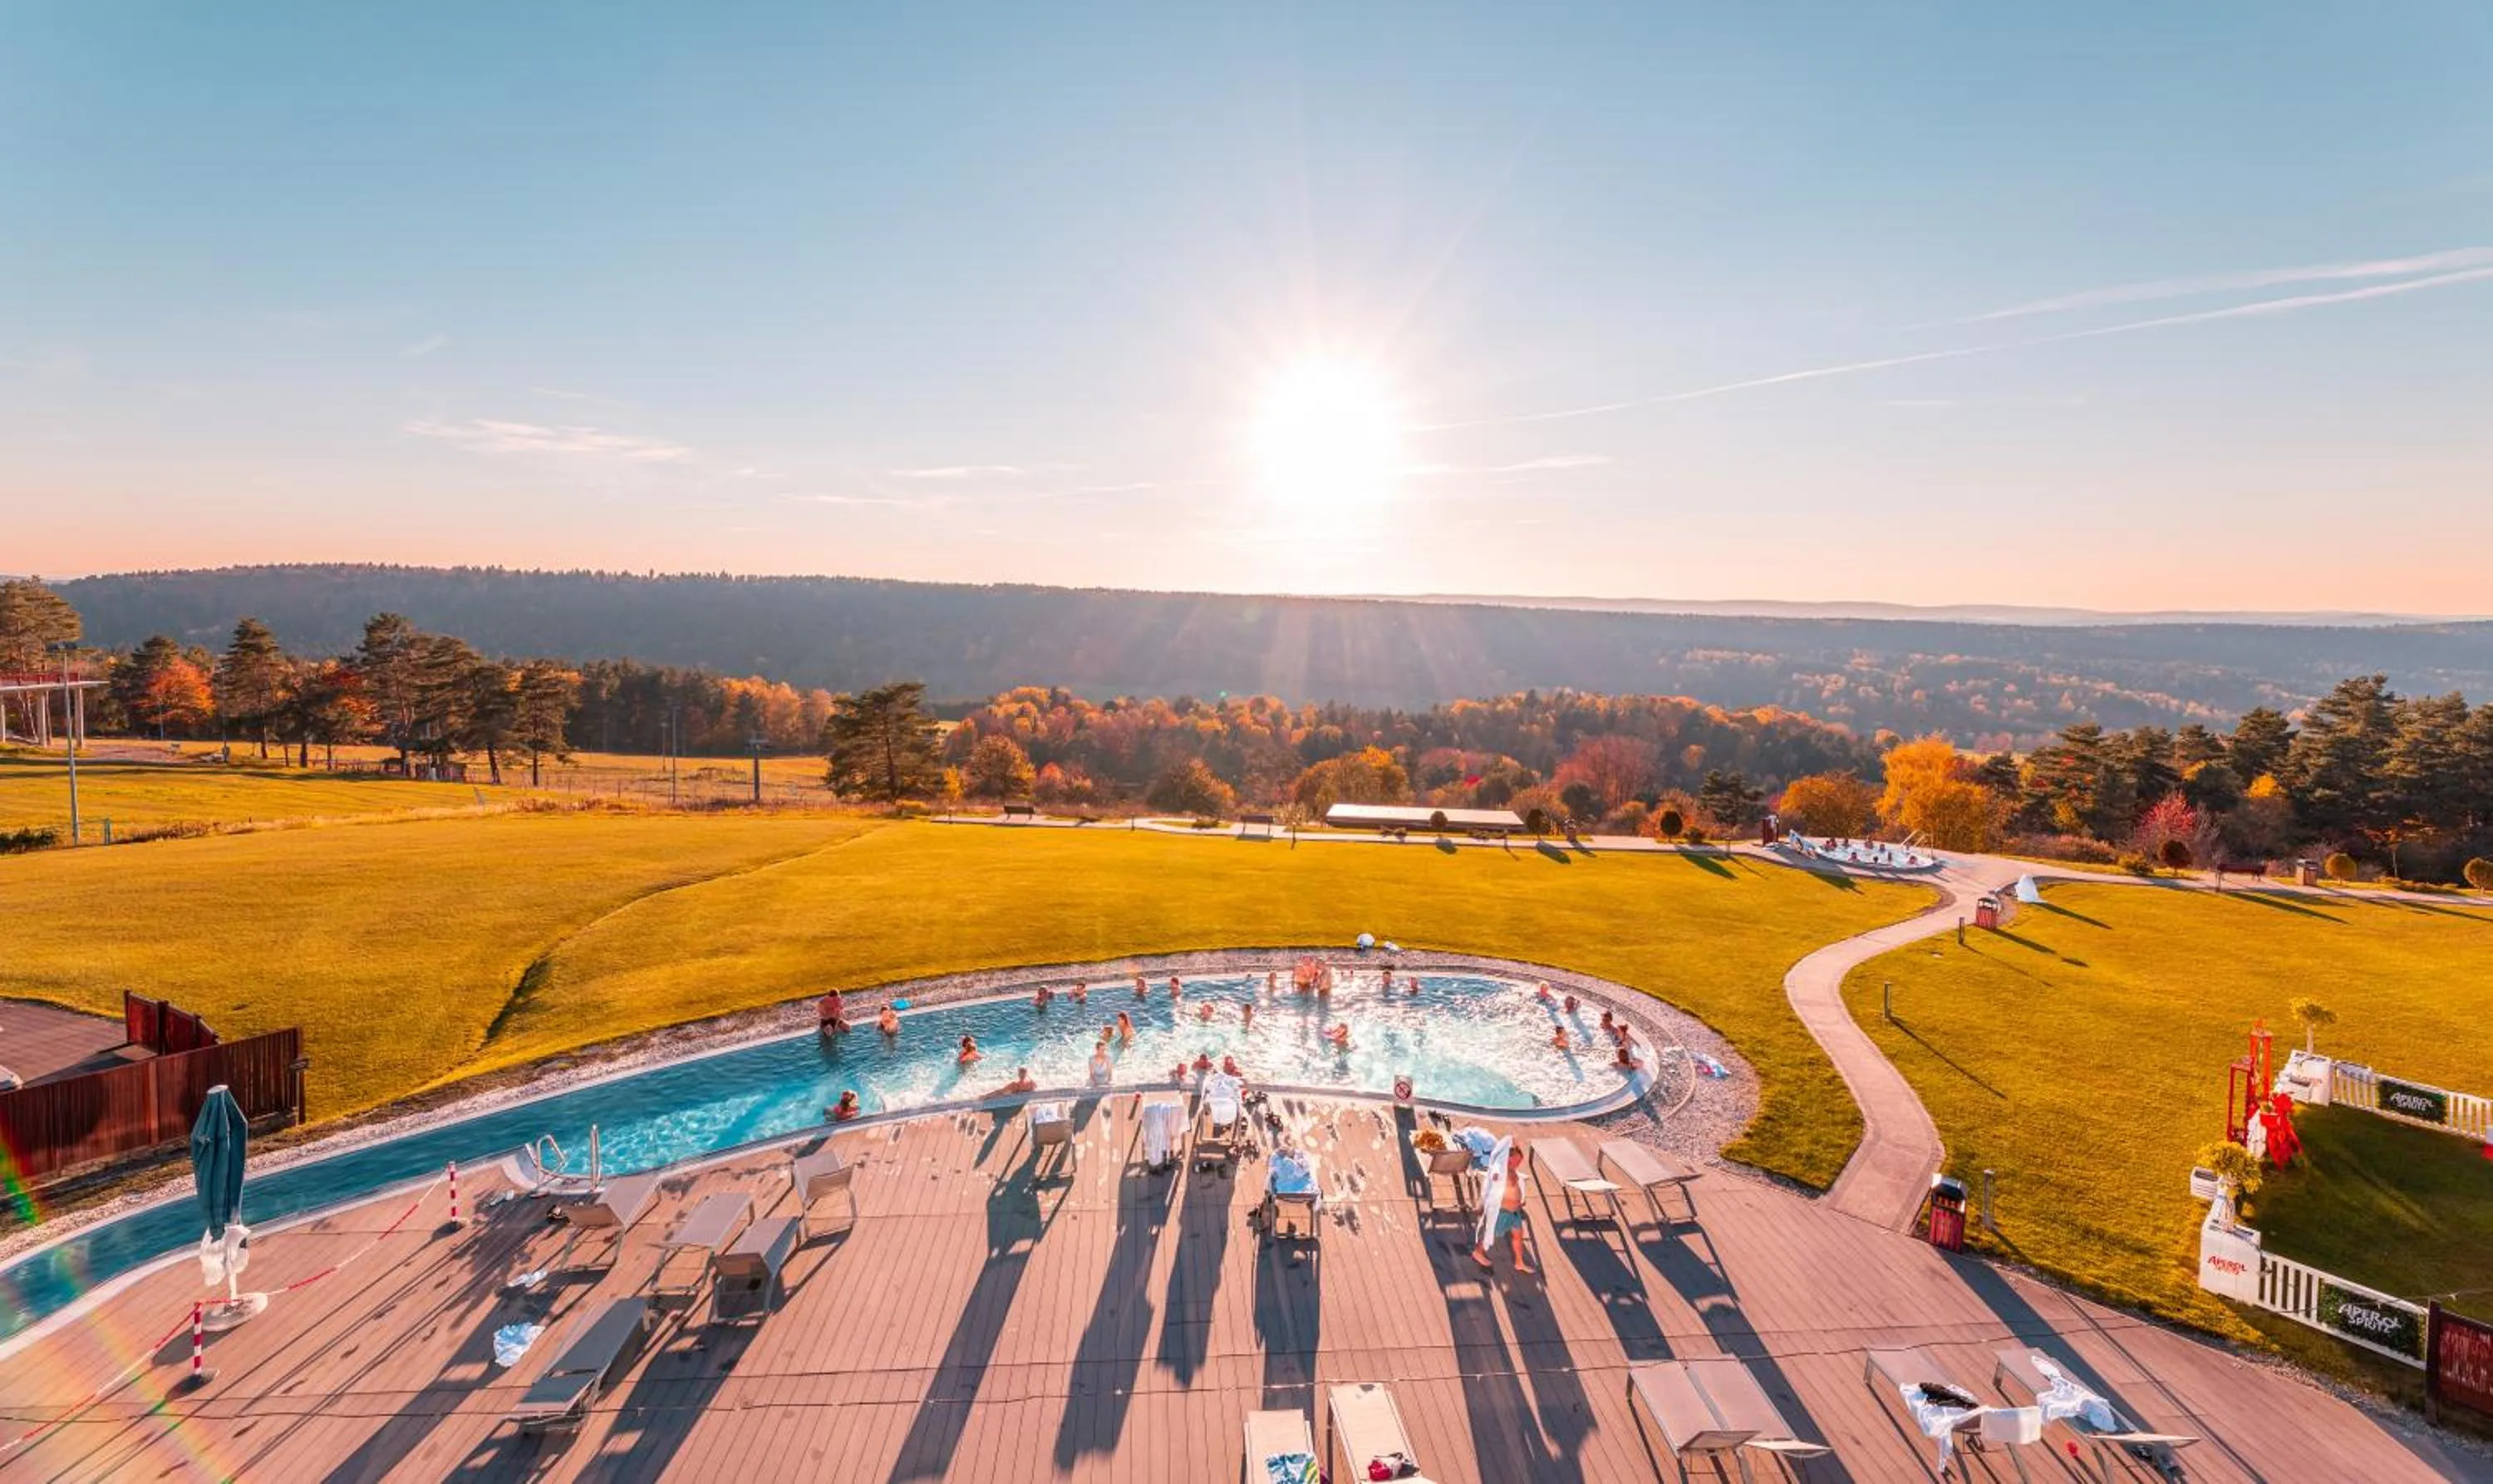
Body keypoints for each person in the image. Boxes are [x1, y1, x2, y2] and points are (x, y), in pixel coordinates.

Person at [1473, 1142, 1534, 1274]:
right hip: (1502, 1212)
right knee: (1490, 1235)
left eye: (1519, 1161)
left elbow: (1517, 1186)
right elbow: (1493, 1177)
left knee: (1518, 1236)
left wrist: (1521, 1199)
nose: (1518, 1164)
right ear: (1507, 1159)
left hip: (1515, 1213)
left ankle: (1519, 1262)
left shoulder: (1513, 1171)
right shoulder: (1499, 1171)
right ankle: (1478, 1252)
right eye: (1515, 1161)